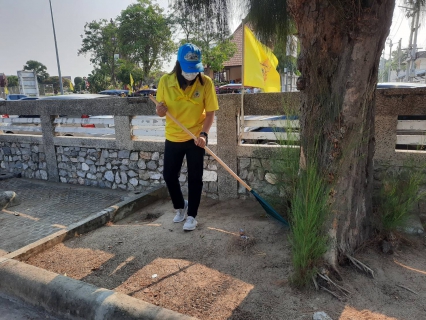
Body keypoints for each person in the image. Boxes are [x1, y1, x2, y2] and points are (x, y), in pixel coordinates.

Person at [155, 43, 219, 231]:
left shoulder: (205, 82)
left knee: (195, 177)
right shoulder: (165, 81)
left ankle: (192, 215)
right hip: (173, 136)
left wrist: (204, 134)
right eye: (188, 69)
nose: (191, 74)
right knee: (169, 175)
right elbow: (160, 111)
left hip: (195, 138)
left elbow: (210, 113)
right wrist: (160, 110)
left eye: (194, 69)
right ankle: (181, 207)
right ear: (178, 63)